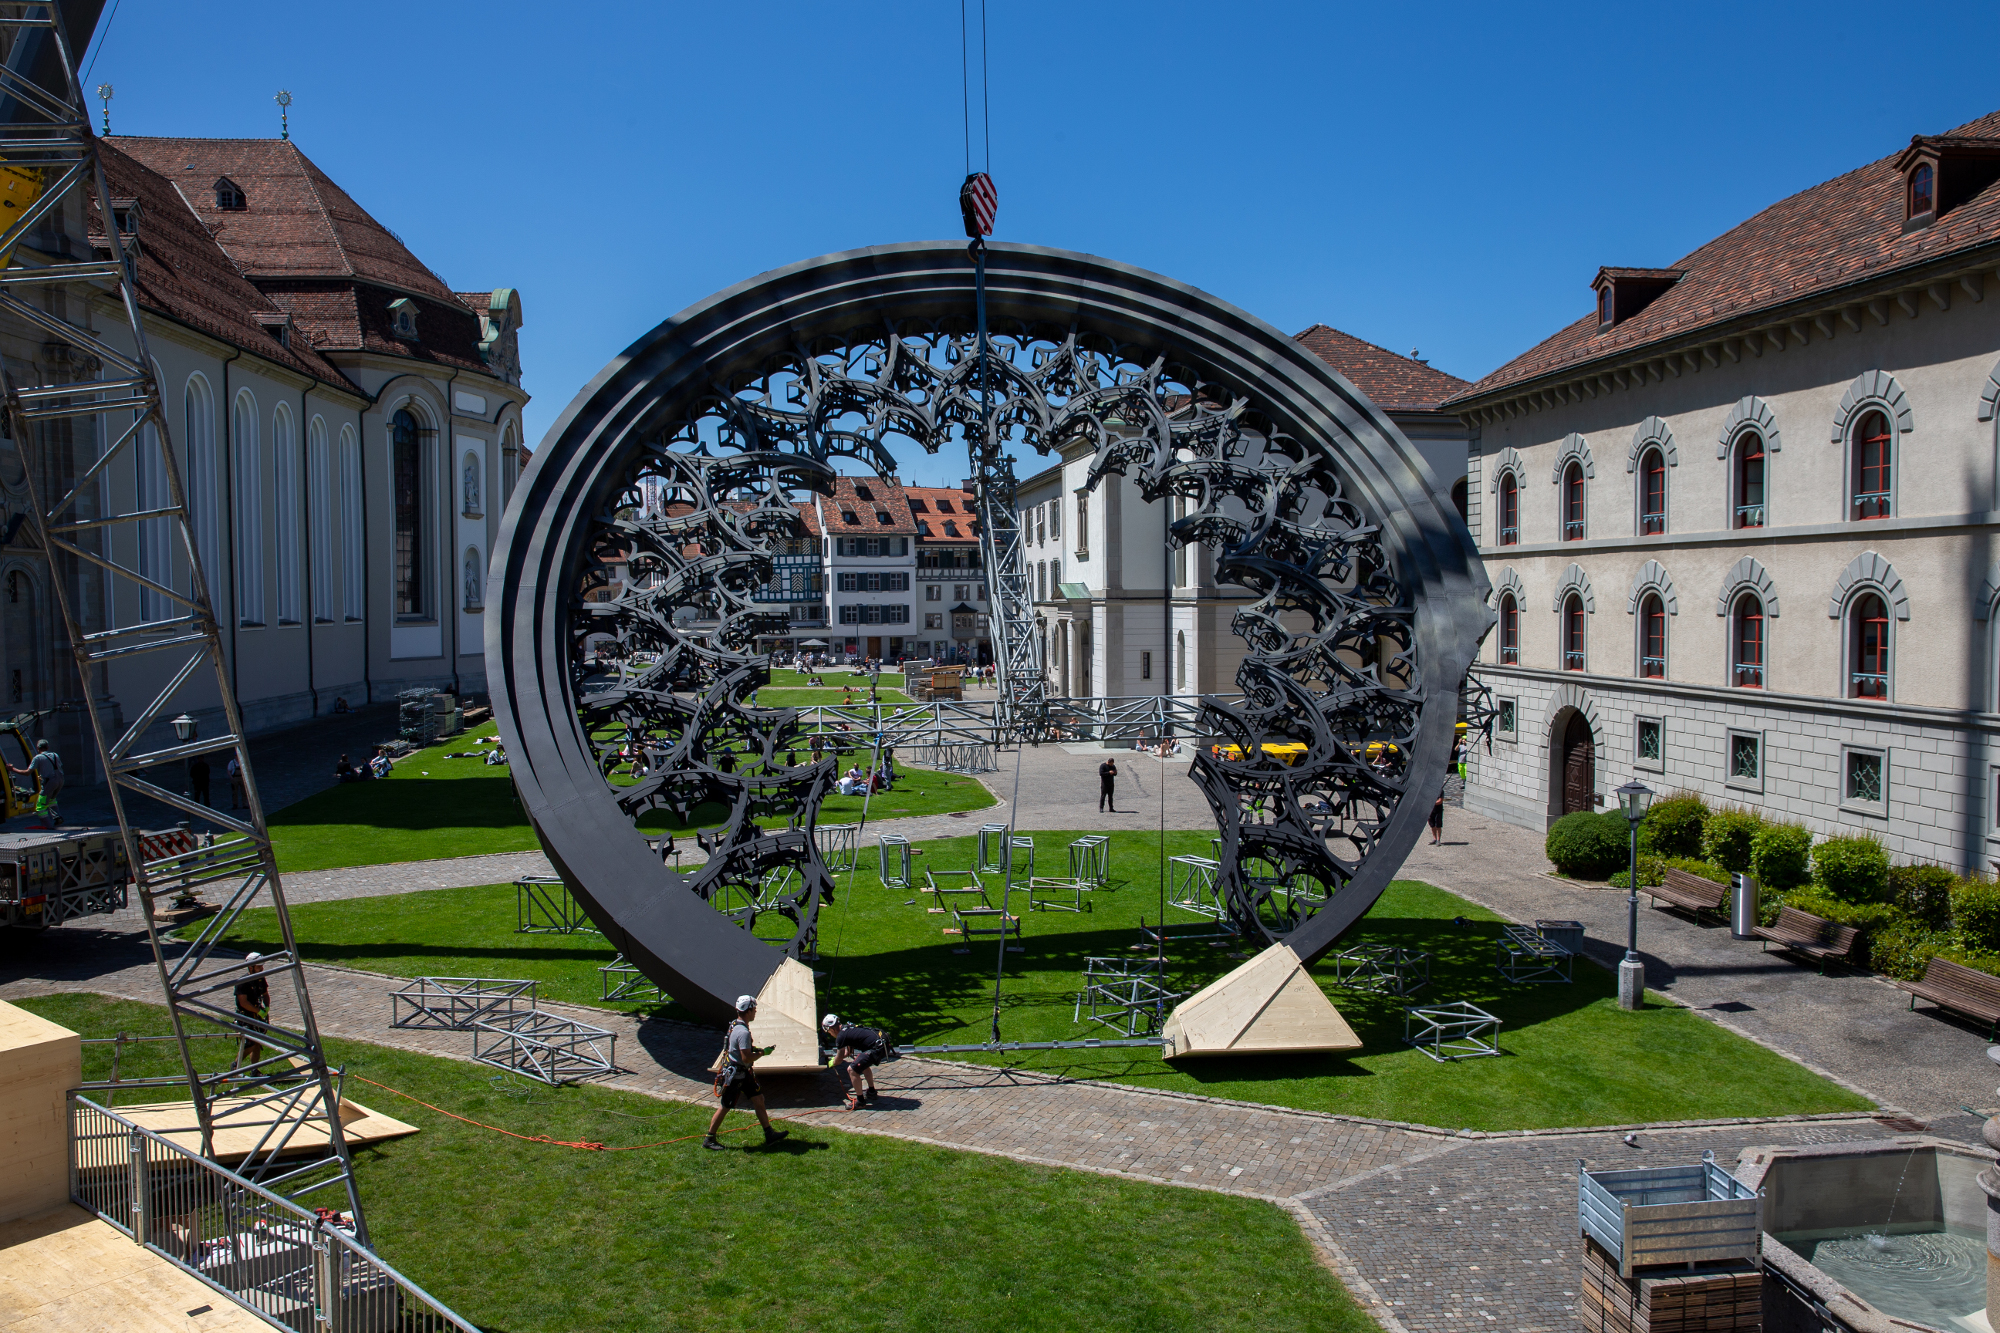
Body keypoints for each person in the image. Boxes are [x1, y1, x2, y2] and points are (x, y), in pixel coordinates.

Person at [702, 995, 789, 1150]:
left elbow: (739, 1049)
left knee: (759, 1099)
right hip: (737, 1076)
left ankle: (769, 1133)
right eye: (754, 1009)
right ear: (748, 1011)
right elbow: (746, 1057)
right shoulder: (744, 1032)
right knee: (726, 1106)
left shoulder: (735, 1025)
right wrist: (762, 1053)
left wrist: (756, 1049)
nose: (755, 1011)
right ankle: (709, 1138)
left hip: (743, 1073)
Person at [822, 1013, 888, 1108]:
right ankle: (872, 1092)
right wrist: (837, 1058)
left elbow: (839, 1058)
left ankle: (860, 1101)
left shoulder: (840, 1037)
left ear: (831, 1029)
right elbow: (848, 1052)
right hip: (881, 1044)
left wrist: (831, 1063)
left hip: (876, 1049)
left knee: (852, 1070)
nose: (830, 1034)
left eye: (829, 1032)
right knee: (863, 1065)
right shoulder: (847, 1028)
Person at [9, 738, 63, 827]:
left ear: (37, 748)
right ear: (48, 747)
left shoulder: (37, 758)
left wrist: (12, 769)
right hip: (60, 780)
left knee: (40, 806)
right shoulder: (55, 755)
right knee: (51, 799)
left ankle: (47, 826)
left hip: (50, 782)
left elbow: (27, 773)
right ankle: (58, 817)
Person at [235, 953, 269, 1071]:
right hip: (245, 1016)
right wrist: (259, 1011)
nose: (262, 969)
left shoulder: (260, 979)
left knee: (257, 1043)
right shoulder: (243, 982)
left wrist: (267, 1008)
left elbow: (265, 994)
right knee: (250, 1044)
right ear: (251, 967)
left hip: (257, 1014)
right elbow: (243, 1002)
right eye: (259, 966)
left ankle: (255, 1070)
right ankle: (235, 1067)